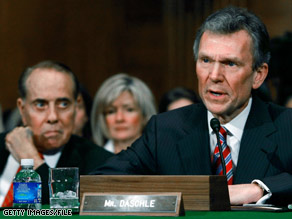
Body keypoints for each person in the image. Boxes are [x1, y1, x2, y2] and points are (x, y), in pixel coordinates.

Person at [92, 6, 292, 206]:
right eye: (205, 60)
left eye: (230, 63)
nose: (214, 76)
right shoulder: (165, 130)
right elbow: (100, 182)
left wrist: (259, 188)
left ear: (258, 75)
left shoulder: (286, 126)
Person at [0, 60, 113, 206]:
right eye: (40, 104)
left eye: (63, 104)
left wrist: (31, 160)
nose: (53, 117)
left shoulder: (100, 164)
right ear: (22, 109)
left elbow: (66, 210)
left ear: (76, 106)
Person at [91, 73, 157, 154]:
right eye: (111, 111)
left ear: (145, 115)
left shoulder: (161, 158)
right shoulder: (92, 160)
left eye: (129, 110)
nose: (119, 118)